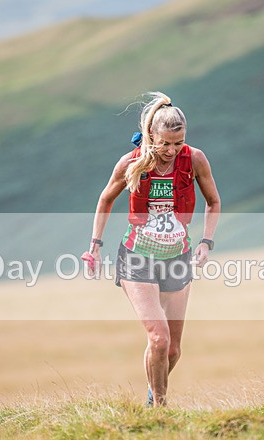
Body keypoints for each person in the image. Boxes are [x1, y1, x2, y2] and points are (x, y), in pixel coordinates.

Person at [85, 92, 221, 407]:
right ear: (151, 136)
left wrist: (206, 242)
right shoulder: (131, 163)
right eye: (165, 144)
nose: (172, 151)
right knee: (158, 339)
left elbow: (214, 201)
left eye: (178, 143)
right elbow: (105, 199)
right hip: (137, 258)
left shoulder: (195, 159)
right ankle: (159, 411)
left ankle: (152, 392)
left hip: (177, 258)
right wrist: (95, 245)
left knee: (172, 350)